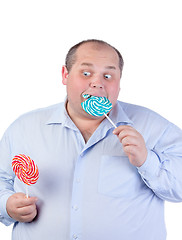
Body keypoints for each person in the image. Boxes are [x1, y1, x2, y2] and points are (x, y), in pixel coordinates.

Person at [0, 39, 182, 240]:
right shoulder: (24, 127)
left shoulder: (155, 127)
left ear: (119, 83)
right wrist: (7, 205)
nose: (97, 82)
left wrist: (147, 160)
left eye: (108, 75)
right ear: (65, 75)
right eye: (86, 73)